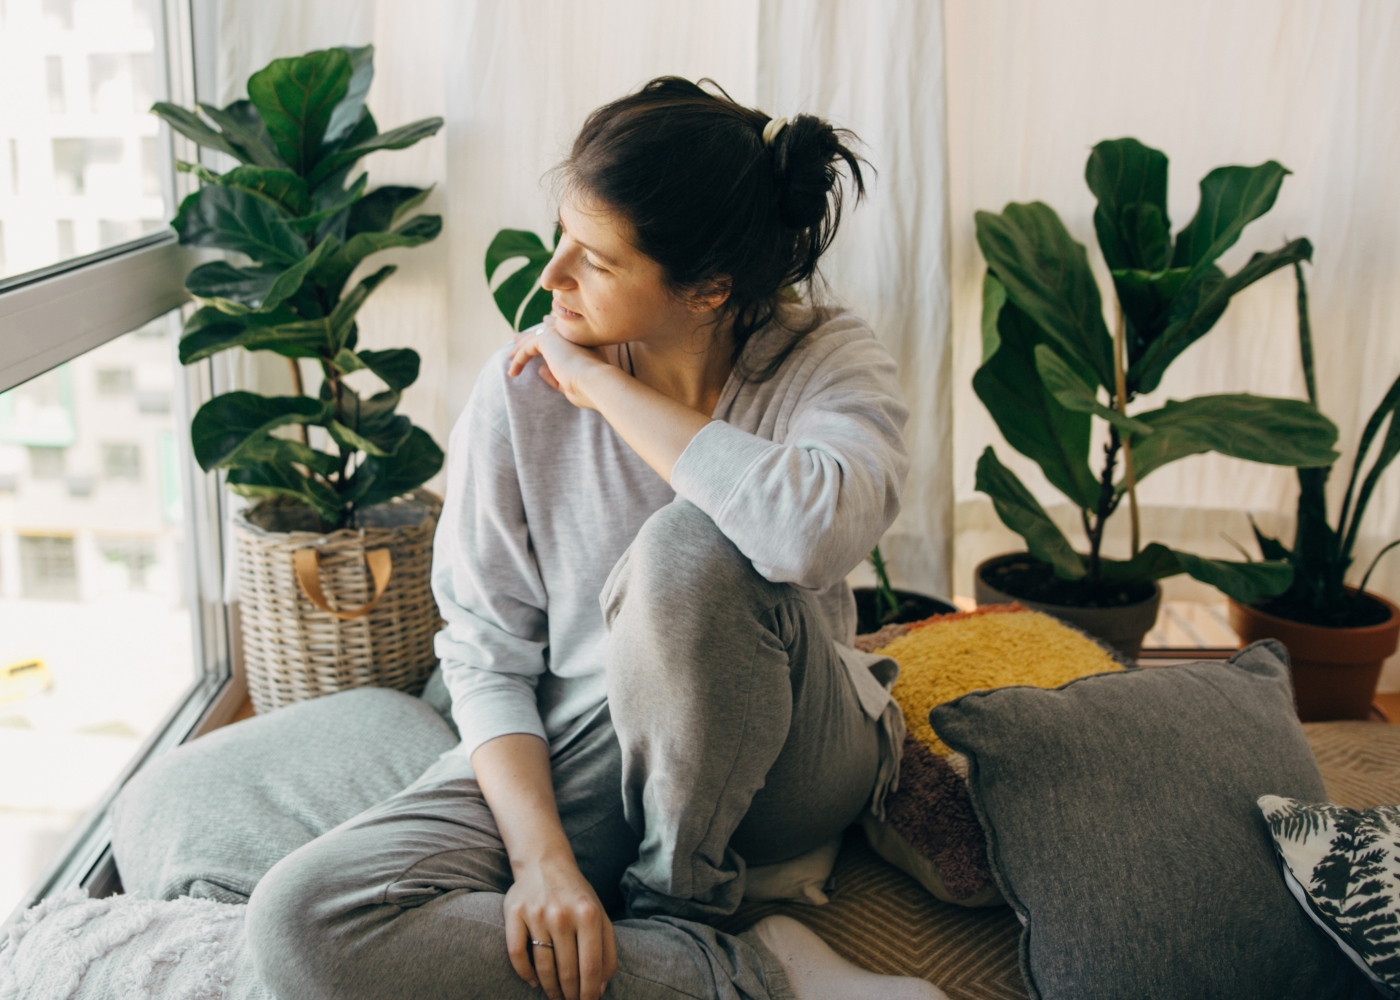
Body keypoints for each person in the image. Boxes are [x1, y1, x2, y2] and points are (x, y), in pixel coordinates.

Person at [246, 77, 945, 1000]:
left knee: (686, 551)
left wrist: (606, 389)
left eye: (597, 261)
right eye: (562, 235)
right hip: (594, 750)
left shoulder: (823, 360)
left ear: (707, 292)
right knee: (304, 922)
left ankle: (673, 905)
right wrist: (540, 862)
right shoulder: (517, 394)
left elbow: (807, 532)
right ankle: (757, 970)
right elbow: (487, 654)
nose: (550, 278)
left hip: (791, 759)